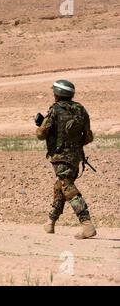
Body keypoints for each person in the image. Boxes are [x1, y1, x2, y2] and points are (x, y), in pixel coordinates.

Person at [36, 79, 97, 240]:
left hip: (59, 156)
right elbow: (88, 137)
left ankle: (87, 224)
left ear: (57, 94)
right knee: (60, 186)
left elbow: (41, 135)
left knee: (66, 186)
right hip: (76, 156)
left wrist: (40, 124)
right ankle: (50, 222)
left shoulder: (55, 110)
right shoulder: (81, 110)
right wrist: (74, 145)